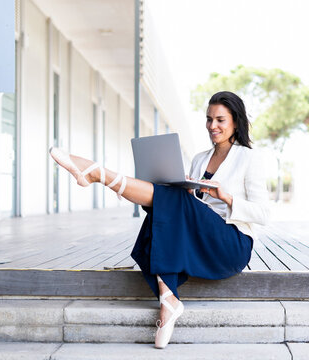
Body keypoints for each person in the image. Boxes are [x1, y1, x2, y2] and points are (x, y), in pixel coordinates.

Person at [49, 91, 270, 349]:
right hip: (200, 238)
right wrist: (189, 192)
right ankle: (168, 301)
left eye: (220, 120)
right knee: (168, 201)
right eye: (209, 119)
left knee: (169, 201)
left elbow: (263, 213)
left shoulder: (249, 157)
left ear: (236, 121)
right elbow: (196, 205)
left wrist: (226, 197)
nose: (212, 126)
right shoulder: (200, 159)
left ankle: (99, 174)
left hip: (231, 244)